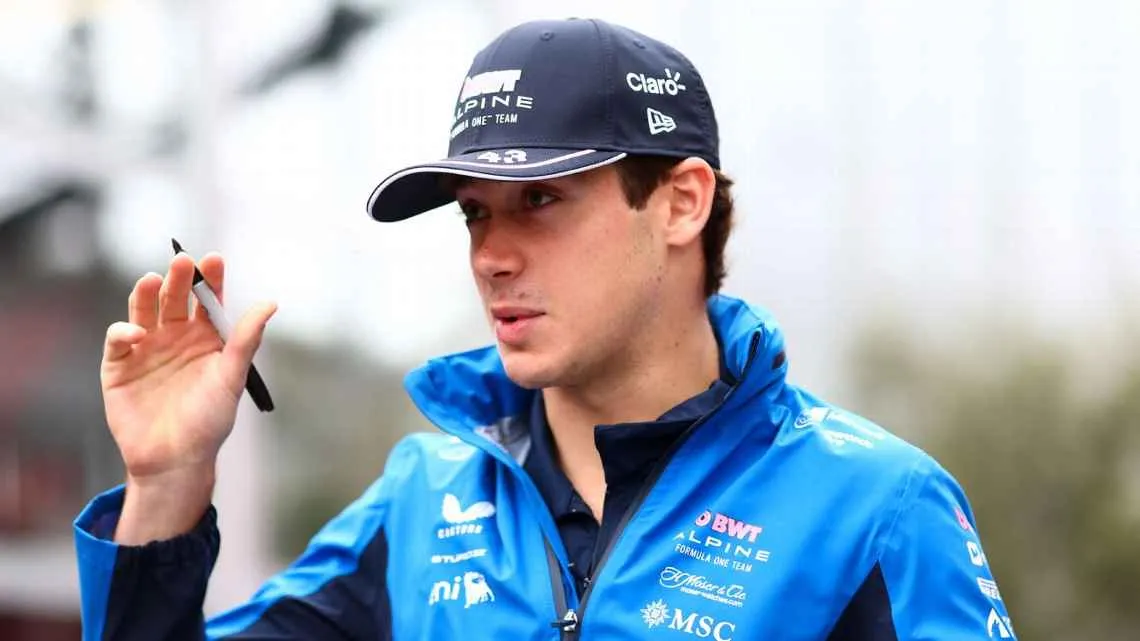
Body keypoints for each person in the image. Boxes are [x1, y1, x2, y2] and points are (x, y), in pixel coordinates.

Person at [74, 17, 1016, 641]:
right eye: (475, 213)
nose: (492, 254)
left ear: (681, 202)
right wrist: (166, 486)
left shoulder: (877, 507)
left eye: (541, 199)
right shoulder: (422, 501)